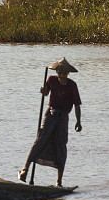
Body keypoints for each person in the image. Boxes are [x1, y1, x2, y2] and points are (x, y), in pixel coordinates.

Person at [18, 58, 82, 187]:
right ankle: (25, 170)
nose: (62, 76)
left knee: (61, 146)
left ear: (67, 74)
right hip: (51, 113)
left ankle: (59, 181)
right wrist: (43, 90)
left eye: (64, 73)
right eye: (60, 73)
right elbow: (46, 93)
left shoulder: (72, 85)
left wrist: (78, 121)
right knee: (40, 140)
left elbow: (77, 105)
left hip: (63, 117)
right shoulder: (51, 80)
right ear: (57, 72)